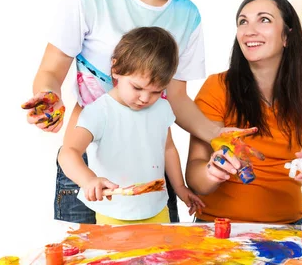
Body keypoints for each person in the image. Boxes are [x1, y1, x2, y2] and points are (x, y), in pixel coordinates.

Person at [21, 0, 240, 224]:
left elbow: (176, 98)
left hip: (149, 170)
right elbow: (51, 71)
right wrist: (49, 100)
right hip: (88, 168)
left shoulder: (187, 16)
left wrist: (217, 133)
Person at [186, 0, 302, 224]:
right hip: (220, 230)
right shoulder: (217, 87)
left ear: (287, 37)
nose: (249, 30)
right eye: (243, 22)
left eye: (264, 20)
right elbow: (194, 175)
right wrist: (212, 173)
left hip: (287, 230)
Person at [58, 27, 204, 224]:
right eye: (137, 87)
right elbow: (68, 152)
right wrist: (88, 180)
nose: (145, 98)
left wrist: (180, 188)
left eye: (156, 91)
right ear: (116, 69)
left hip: (157, 209)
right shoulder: (99, 112)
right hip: (115, 213)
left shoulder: (162, 107)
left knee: (161, 256)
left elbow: (168, 149)